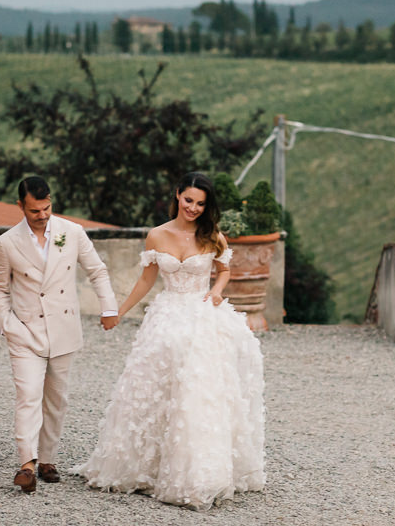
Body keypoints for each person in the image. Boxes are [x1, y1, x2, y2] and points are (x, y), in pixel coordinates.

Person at [71, 172, 265, 510]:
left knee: (198, 391)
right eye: (188, 200)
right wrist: (118, 311)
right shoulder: (157, 235)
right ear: (177, 195)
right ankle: (148, 466)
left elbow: (224, 271)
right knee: (154, 387)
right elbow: (147, 279)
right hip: (167, 315)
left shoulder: (212, 236)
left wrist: (217, 292)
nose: (193, 208)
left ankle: (197, 470)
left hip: (203, 314)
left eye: (200, 203)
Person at [0, 176, 119, 493]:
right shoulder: (6, 243)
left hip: (63, 328)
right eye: (35, 210)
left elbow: (97, 270)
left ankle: (47, 459)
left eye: (47, 207)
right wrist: (7, 324)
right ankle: (27, 466)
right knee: (28, 397)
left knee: (56, 401)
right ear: (21, 206)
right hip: (26, 332)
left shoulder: (72, 232)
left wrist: (109, 308)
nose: (43, 215)